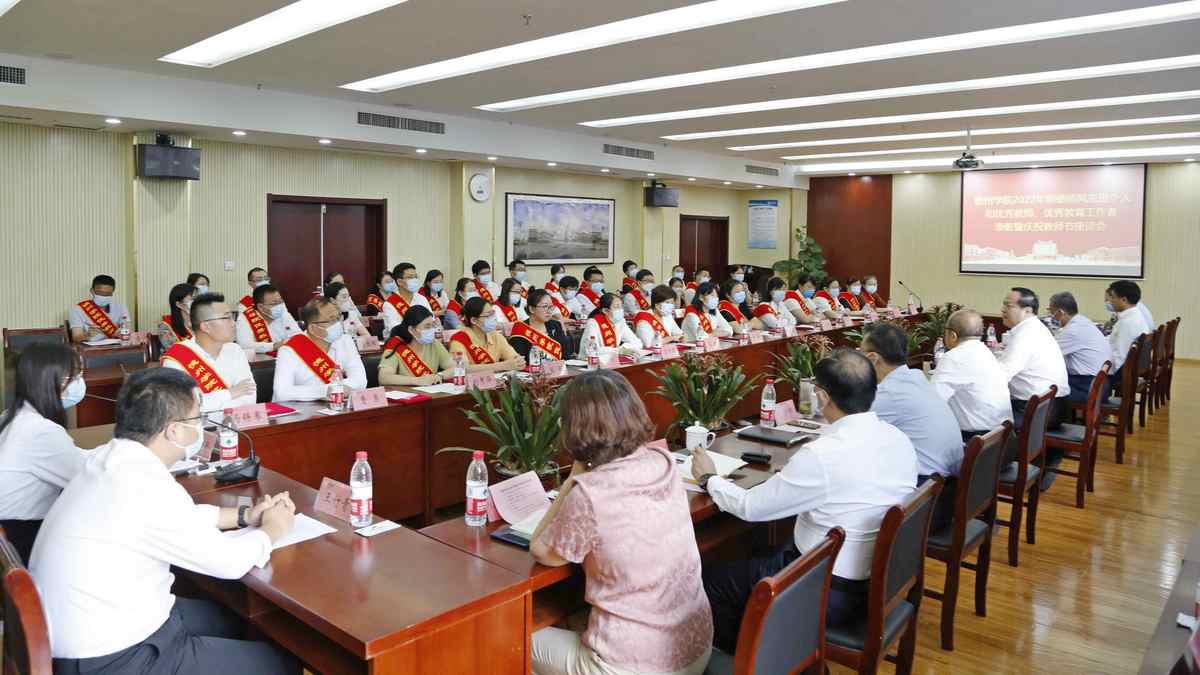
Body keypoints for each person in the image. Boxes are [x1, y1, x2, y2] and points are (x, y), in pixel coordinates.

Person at [30, 368, 299, 675]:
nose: (200, 427)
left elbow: (174, 517)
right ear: (174, 431)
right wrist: (274, 528)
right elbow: (229, 562)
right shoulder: (144, 485)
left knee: (232, 619)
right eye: (197, 418)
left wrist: (245, 515)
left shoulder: (110, 461)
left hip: (91, 629)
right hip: (114, 659)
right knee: (279, 664)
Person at [694, 349, 917, 649]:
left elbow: (751, 507)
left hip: (827, 590)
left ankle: (755, 661)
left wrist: (709, 478)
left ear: (822, 397)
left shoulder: (823, 455)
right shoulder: (898, 438)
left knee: (710, 582)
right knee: (765, 548)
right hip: (880, 579)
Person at [530, 370, 712, 675]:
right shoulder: (664, 462)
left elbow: (540, 550)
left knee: (514, 638)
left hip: (632, 666)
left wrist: (573, 478)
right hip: (695, 648)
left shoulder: (590, 494)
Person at [862, 322, 963, 531]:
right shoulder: (915, 378)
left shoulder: (891, 393)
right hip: (946, 490)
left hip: (925, 503)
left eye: (860, 353)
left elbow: (849, 428)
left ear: (872, 358)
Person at [0, 344, 89, 563]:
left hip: (11, 532)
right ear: (54, 382)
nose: (79, 383)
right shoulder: (41, 431)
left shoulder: (13, 417)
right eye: (74, 376)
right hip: (23, 536)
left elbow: (68, 458)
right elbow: (88, 479)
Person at [162, 293, 257, 417]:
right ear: (206, 326)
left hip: (237, 423)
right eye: (227, 318)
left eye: (233, 317)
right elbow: (184, 406)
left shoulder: (235, 349)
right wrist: (229, 393)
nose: (234, 323)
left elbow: (249, 395)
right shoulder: (177, 358)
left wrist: (209, 402)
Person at [929, 310, 1015, 440]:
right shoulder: (985, 351)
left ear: (952, 335)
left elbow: (933, 401)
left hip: (975, 440)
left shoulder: (953, 357)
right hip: (1001, 436)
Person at [998, 287, 1070, 428]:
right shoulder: (1033, 328)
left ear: (1027, 311)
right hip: (1050, 404)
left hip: (1039, 410)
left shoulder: (1026, 335)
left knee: (981, 417)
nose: (1003, 309)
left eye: (1008, 305)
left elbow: (1001, 376)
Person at [273, 298, 367, 402]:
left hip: (336, 405)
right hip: (301, 410)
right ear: (313, 328)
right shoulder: (289, 350)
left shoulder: (345, 340)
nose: (338, 324)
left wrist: (336, 389)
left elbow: (360, 380)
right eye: (331, 320)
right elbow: (282, 393)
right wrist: (325, 391)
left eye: (338, 318)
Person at [1047, 291, 1110, 403]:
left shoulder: (1073, 331)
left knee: (1044, 387)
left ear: (1061, 312)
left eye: (1051, 313)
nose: (1051, 317)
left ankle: (1054, 415)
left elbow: (1046, 354)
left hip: (1087, 387)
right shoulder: (1082, 321)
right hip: (1098, 385)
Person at [377, 306, 455, 386]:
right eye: (427, 326)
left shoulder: (434, 343)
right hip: (405, 392)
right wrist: (417, 381)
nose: (431, 330)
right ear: (411, 330)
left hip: (431, 391)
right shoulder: (396, 344)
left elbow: (454, 367)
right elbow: (384, 377)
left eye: (432, 325)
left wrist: (439, 376)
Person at [447, 297, 525, 373]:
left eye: (493, 313)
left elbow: (515, 359)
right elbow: (461, 369)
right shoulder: (459, 340)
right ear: (474, 320)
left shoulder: (494, 335)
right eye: (488, 315)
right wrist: (502, 366)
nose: (493, 318)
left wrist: (518, 362)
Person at [1105, 280, 1152, 393]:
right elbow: (1114, 341)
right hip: (1131, 367)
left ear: (1124, 300)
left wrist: (1101, 369)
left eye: (1112, 297)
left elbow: (1119, 359)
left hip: (1120, 372)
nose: (1110, 301)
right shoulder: (1135, 315)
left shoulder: (1127, 323)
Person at [235, 284, 300, 353]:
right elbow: (244, 345)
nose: (279, 305)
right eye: (274, 303)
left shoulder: (283, 312)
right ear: (261, 307)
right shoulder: (246, 319)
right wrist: (274, 346)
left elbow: (298, 334)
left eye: (280, 301)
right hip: (262, 358)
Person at [511, 289, 572, 361]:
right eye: (545, 306)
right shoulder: (521, 329)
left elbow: (566, 355)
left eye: (551, 307)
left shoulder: (555, 325)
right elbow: (519, 362)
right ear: (531, 309)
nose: (549, 311)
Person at [69, 274, 131, 343]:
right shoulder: (77, 310)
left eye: (108, 294)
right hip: (91, 347)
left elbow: (128, 330)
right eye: (100, 293)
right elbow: (76, 337)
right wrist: (87, 334)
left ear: (112, 293)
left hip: (116, 346)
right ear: (92, 291)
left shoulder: (121, 307)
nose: (104, 296)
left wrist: (123, 333)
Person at [382, 262, 431, 334]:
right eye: (410, 277)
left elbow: (431, 322)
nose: (415, 280)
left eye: (416, 277)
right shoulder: (389, 304)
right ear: (399, 282)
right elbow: (396, 330)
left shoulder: (422, 299)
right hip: (401, 339)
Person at [157, 283, 195, 351]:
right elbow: (173, 351)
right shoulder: (165, 326)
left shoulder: (203, 322)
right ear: (179, 304)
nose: (198, 302)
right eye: (193, 299)